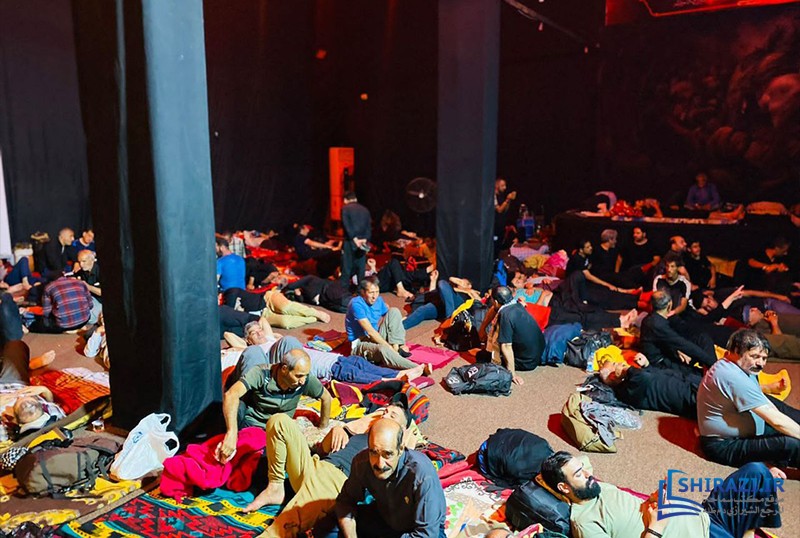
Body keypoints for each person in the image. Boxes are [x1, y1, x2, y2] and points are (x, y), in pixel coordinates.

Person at [241, 402, 417, 537]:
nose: (384, 414)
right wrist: (338, 430)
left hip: (334, 480)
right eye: (385, 411)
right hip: (314, 465)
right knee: (279, 421)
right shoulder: (359, 432)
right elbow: (321, 450)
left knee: (285, 524)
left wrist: (407, 439)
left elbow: (399, 471)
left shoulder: (392, 451)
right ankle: (275, 487)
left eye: (392, 415)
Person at [540, 451, 783, 538]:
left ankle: (747, 532)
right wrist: (655, 528)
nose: (589, 474)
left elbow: (583, 460)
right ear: (564, 487)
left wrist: (655, 498)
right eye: (579, 474)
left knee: (756, 471)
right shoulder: (584, 522)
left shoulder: (596, 488)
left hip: (707, 516)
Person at [698, 328, 800, 468]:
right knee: (789, 443)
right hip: (724, 445)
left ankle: (777, 460)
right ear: (736, 350)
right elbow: (776, 421)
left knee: (787, 423)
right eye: (755, 356)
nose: (761, 363)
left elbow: (770, 408)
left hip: (743, 434)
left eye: (764, 358)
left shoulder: (739, 366)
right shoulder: (732, 376)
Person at [335, 417, 446, 538]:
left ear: (401, 449)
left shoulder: (422, 476)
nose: (380, 464)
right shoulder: (362, 462)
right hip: (385, 518)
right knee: (331, 523)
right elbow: (345, 502)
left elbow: (427, 534)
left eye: (387, 454)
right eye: (374, 452)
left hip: (419, 531)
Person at [217, 348, 332, 463]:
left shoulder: (305, 381)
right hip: (253, 425)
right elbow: (231, 394)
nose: (302, 381)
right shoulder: (262, 374)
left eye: (305, 375)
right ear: (284, 369)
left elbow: (326, 398)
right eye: (298, 376)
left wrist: (322, 427)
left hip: (277, 431)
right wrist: (231, 433)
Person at [345, 278, 418, 370]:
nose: (374, 296)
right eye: (371, 292)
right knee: (383, 349)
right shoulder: (356, 304)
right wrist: (389, 348)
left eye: (377, 292)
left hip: (375, 337)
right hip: (360, 343)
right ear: (363, 292)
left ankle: (396, 348)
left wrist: (399, 321)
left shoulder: (378, 300)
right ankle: (416, 367)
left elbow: (390, 317)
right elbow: (370, 332)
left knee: (394, 311)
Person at [0, 340, 62, 439]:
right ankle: (29, 365)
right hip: (15, 382)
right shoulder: (54, 413)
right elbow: (53, 404)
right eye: (34, 407)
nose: (30, 409)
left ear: (17, 422)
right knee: (16, 345)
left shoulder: (4, 431)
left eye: (27, 414)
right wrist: (45, 391)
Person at [639, 291, 717, 369]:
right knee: (695, 371)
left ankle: (714, 367)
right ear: (669, 305)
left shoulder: (656, 319)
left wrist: (677, 350)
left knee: (702, 338)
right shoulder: (656, 324)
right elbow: (681, 343)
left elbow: (673, 339)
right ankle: (715, 367)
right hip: (662, 362)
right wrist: (712, 363)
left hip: (670, 351)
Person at [484, 286, 544, 386]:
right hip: (538, 355)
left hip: (527, 362)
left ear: (495, 301)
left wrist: (512, 374)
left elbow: (506, 346)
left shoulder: (505, 314)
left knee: (483, 356)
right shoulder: (517, 305)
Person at [598, 361, 700, 418]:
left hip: (692, 383)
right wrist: (627, 370)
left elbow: (659, 373)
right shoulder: (627, 390)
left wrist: (647, 364)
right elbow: (643, 377)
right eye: (615, 364)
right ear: (613, 375)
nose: (622, 363)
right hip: (692, 397)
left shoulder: (633, 380)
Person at [222, 287, 331, 329]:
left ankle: (315, 313)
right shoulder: (223, 309)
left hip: (267, 299)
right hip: (262, 316)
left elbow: (229, 309)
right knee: (286, 322)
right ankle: (312, 318)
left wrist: (232, 310)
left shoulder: (229, 292)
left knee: (286, 308)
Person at [27, 275, 93, 334]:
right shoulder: (79, 282)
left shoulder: (49, 287)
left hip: (63, 325)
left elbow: (46, 313)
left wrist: (46, 324)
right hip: (84, 320)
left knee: (36, 323)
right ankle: (77, 328)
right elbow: (90, 304)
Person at [340, 192, 371, 286]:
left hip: (350, 241)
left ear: (345, 200)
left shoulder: (345, 209)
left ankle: (344, 289)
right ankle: (361, 290)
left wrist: (354, 239)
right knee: (361, 267)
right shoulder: (365, 209)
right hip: (363, 242)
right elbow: (368, 227)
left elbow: (346, 225)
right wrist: (365, 239)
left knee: (347, 266)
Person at [74, 249, 102, 325]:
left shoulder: (100, 270)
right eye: (79, 262)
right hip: (87, 300)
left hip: (100, 302)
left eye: (84, 261)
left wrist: (88, 287)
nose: (81, 264)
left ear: (92, 260)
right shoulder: (81, 272)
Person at [493, 178, 517, 256]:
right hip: (494, 226)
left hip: (501, 225)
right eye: (502, 185)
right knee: (495, 246)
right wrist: (507, 199)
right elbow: (499, 210)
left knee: (499, 246)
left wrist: (509, 200)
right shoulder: (493, 195)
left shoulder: (501, 196)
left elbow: (504, 210)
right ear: (497, 185)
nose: (505, 187)